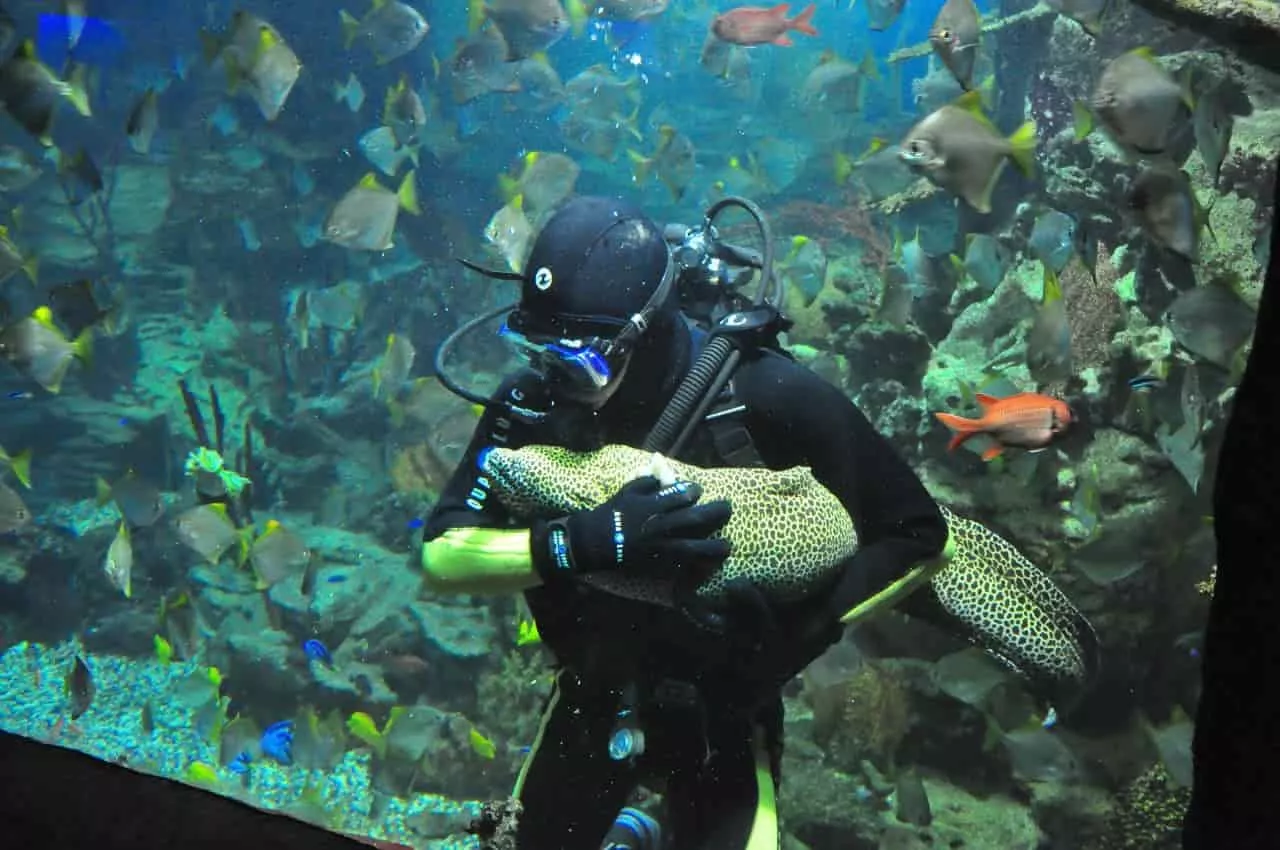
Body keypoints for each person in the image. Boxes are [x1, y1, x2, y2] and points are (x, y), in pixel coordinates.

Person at [419, 195, 950, 850]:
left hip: (726, 713)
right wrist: (585, 541)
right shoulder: (528, 408)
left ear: (641, 333)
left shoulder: (761, 392)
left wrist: (790, 643)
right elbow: (443, 555)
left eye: (580, 361)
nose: (554, 382)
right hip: (592, 694)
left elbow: (916, 532)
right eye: (537, 351)